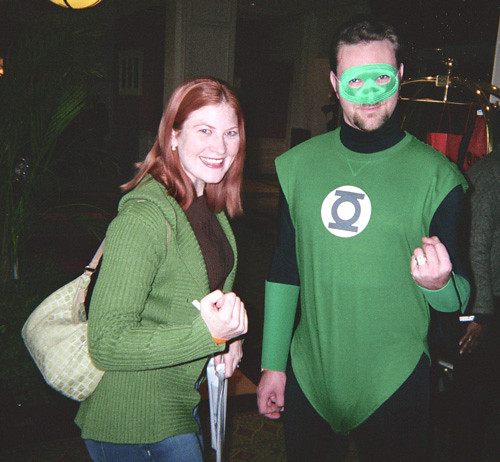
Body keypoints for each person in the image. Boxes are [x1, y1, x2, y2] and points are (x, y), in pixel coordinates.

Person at [256, 15, 471, 462]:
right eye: (356, 80)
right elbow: (284, 268)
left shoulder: (440, 178)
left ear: (401, 77)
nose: (370, 95)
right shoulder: (298, 167)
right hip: (310, 372)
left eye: (381, 77)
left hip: (396, 380)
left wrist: (438, 285)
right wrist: (273, 364)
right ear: (335, 83)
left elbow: (460, 296)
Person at [75, 76, 248, 462]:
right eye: (204, 130)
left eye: (230, 132)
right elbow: (106, 342)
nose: (220, 147)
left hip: (178, 406)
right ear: (173, 135)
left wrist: (228, 341)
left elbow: (201, 302)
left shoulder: (209, 207)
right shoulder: (146, 216)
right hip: (134, 423)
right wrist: (209, 337)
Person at [450, 145, 500, 461]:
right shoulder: (489, 175)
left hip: (491, 295)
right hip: (485, 298)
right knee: (475, 390)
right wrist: (481, 313)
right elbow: (475, 247)